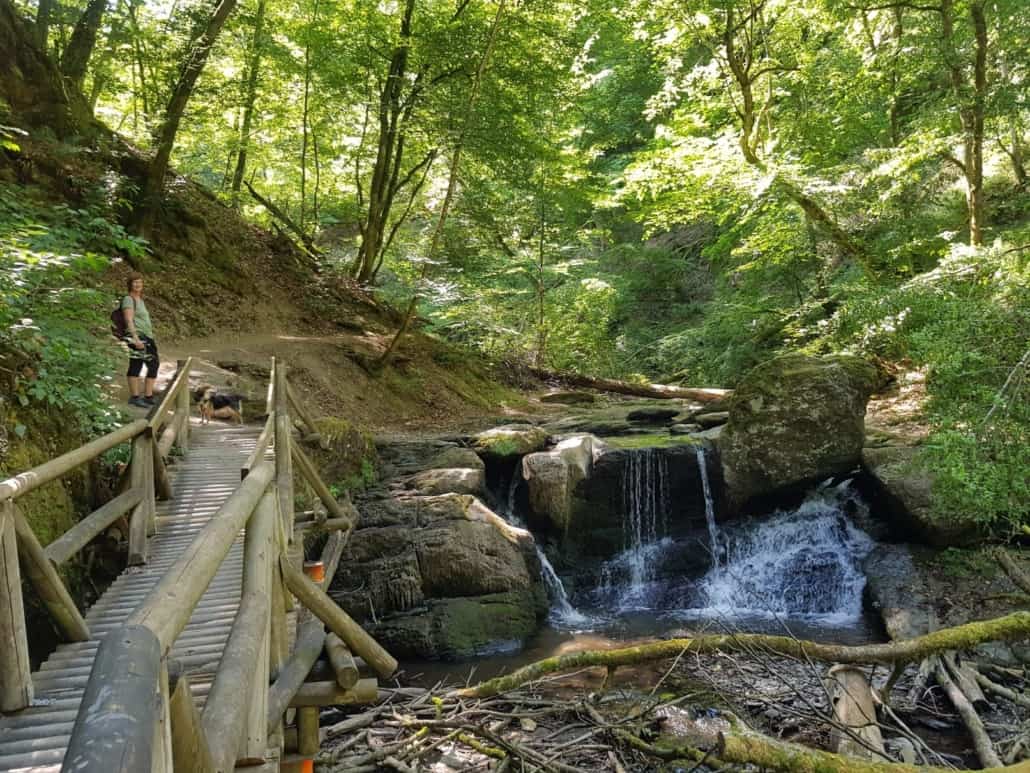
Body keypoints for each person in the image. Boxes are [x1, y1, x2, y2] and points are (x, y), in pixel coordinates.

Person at [122, 273, 159, 408]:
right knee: (136, 364)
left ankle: (148, 396)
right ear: (130, 284)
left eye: (140, 282)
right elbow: (128, 319)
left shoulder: (140, 300)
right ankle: (135, 397)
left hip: (147, 336)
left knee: (153, 364)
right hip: (137, 336)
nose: (138, 285)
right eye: (135, 282)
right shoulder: (128, 299)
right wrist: (135, 337)